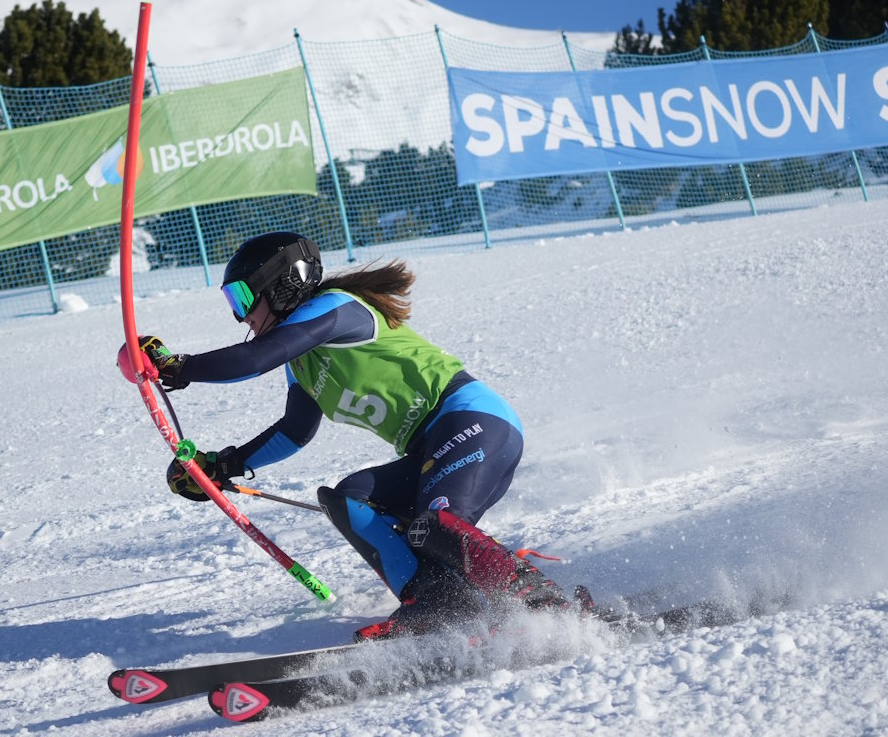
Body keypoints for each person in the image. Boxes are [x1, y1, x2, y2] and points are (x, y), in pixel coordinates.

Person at [118, 232, 587, 640]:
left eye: (242, 299)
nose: (242, 317)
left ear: (280, 286)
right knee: (349, 499)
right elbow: (295, 431)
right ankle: (438, 604)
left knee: (435, 523)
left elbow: (256, 358)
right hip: (430, 447)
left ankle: (544, 602)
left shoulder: (338, 309)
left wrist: (183, 367)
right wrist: (223, 467)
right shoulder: (302, 363)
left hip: (474, 422)